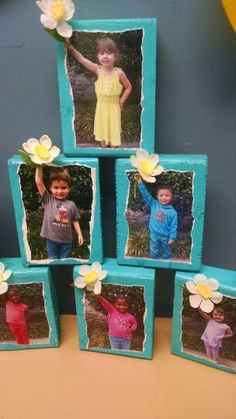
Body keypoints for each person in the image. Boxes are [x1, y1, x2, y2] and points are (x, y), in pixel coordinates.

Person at [65, 36, 132, 148]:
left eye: (109, 53)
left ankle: (114, 154)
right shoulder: (98, 70)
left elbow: (128, 87)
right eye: (101, 53)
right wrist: (69, 46)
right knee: (103, 137)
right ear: (98, 56)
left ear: (115, 56)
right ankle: (104, 153)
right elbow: (81, 59)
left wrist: (121, 101)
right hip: (101, 109)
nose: (105, 56)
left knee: (114, 136)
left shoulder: (119, 73)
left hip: (114, 109)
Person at [35, 166, 83, 259]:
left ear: (69, 188)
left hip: (67, 242)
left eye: (64, 187)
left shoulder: (71, 205)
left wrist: (80, 234)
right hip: (52, 240)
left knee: (64, 264)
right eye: (56, 187)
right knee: (53, 262)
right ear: (50, 188)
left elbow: (75, 220)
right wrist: (39, 165)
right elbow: (39, 182)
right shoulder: (48, 199)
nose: (60, 191)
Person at [138, 179, 178, 259]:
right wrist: (140, 183)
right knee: (154, 252)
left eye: (167, 195)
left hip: (165, 237)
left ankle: (167, 265)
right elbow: (146, 194)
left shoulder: (173, 212)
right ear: (157, 196)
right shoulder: (153, 204)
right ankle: (154, 263)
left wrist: (172, 237)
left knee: (167, 252)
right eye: (161, 195)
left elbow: (174, 226)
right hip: (154, 235)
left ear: (171, 197)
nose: (164, 198)